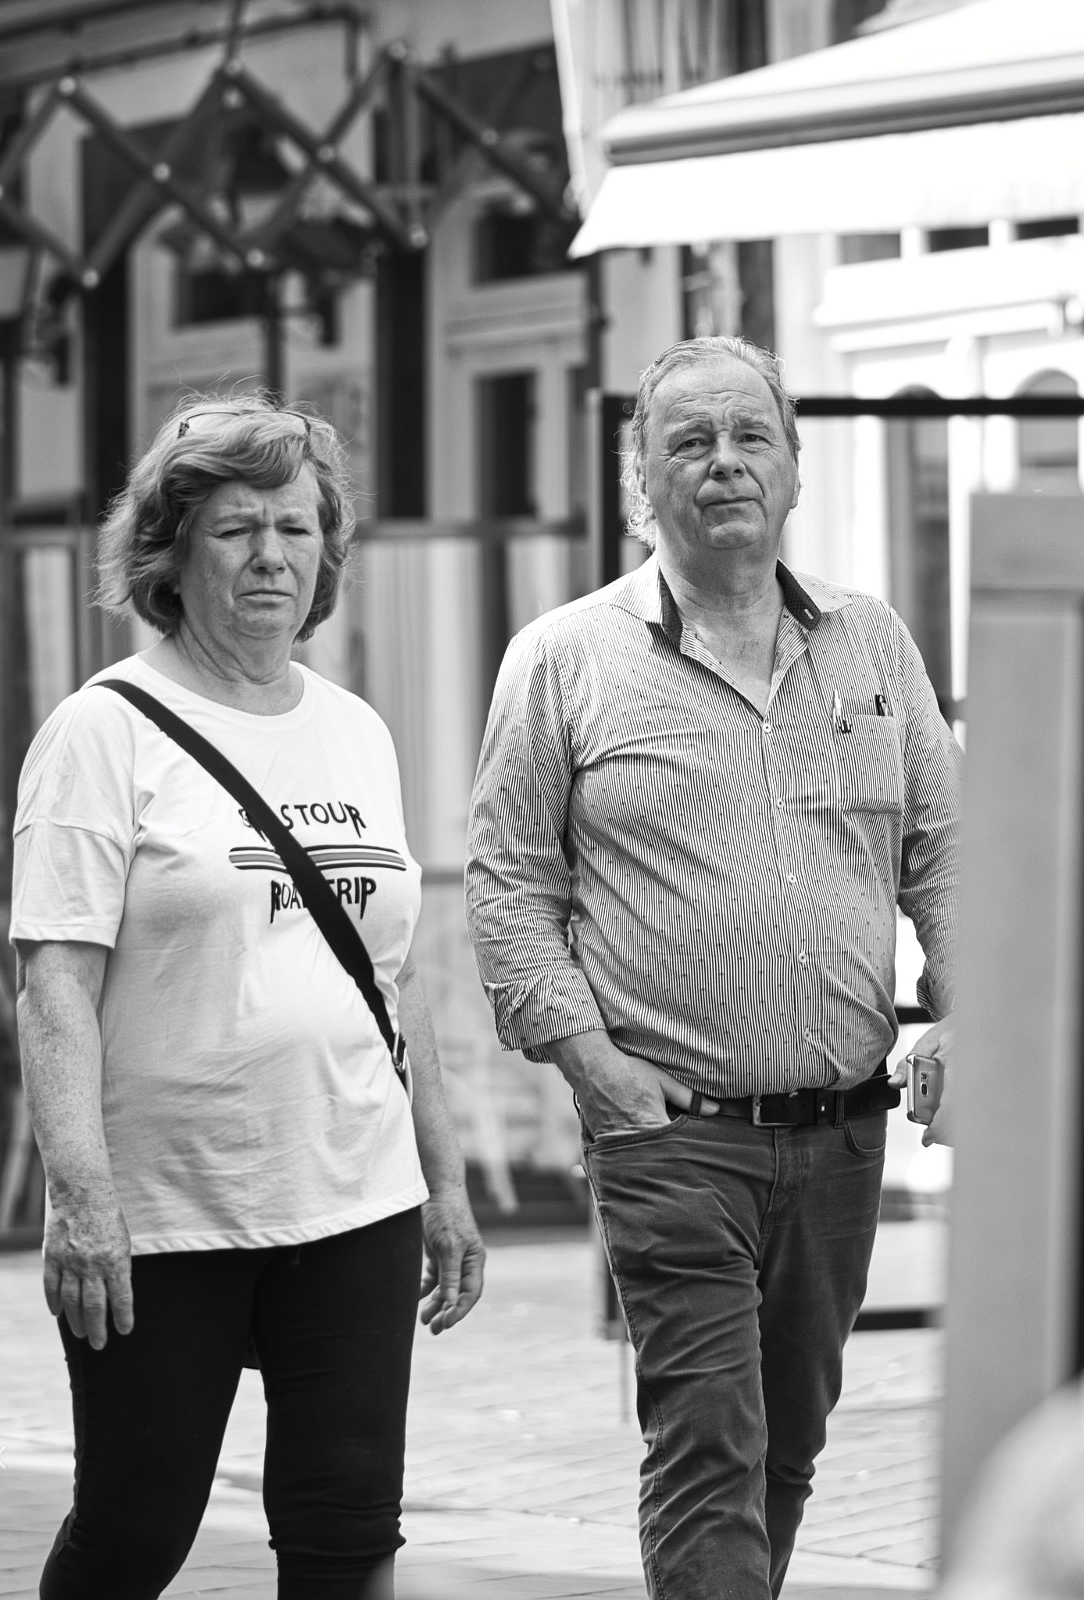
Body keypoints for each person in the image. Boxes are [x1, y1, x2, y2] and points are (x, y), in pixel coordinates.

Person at [465, 336, 958, 1599]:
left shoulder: (874, 646)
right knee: (708, 1442)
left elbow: (947, 858)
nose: (726, 463)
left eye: (752, 437)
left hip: (845, 1133)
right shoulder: (564, 660)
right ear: (643, 486)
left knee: (784, 1446)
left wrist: (967, 1010)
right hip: (671, 1131)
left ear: (794, 468)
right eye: (690, 441)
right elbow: (512, 886)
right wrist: (593, 1066)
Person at [12, 395, 485, 1600]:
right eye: (235, 528)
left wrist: (445, 1180)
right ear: (171, 553)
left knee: (347, 1531)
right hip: (169, 1213)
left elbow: (394, 968)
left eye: (297, 525)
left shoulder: (356, 730)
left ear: (329, 553)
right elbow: (56, 979)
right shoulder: (101, 732)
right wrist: (81, 1197)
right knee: (135, 1528)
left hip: (354, 1196)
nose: (272, 553)